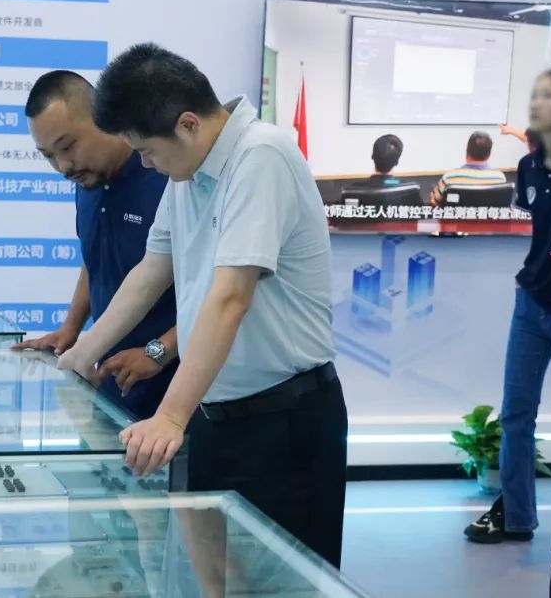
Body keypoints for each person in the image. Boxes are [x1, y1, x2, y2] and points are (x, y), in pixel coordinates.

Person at [57, 43, 346, 566]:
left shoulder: (261, 156)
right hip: (214, 414)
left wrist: (169, 416)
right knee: (213, 578)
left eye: (148, 150)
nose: (144, 164)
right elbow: (151, 272)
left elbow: (231, 296)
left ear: (188, 124)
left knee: (281, 583)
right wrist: (81, 355)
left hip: (284, 421)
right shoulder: (187, 175)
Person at [15, 70, 179, 420]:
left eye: (67, 146)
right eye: (48, 155)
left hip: (175, 392)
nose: (63, 166)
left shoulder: (166, 176)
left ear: (103, 119)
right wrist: (71, 330)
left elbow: (216, 294)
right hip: (110, 387)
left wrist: (157, 352)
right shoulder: (87, 181)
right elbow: (96, 259)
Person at [464, 68, 551, 548]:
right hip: (531, 303)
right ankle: (517, 517)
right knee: (516, 414)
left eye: (547, 96)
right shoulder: (528, 167)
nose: (535, 104)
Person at [429, 131, 508, 206]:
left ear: (467, 152)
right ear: (489, 154)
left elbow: (434, 202)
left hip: (458, 216)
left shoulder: (450, 177)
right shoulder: (500, 178)